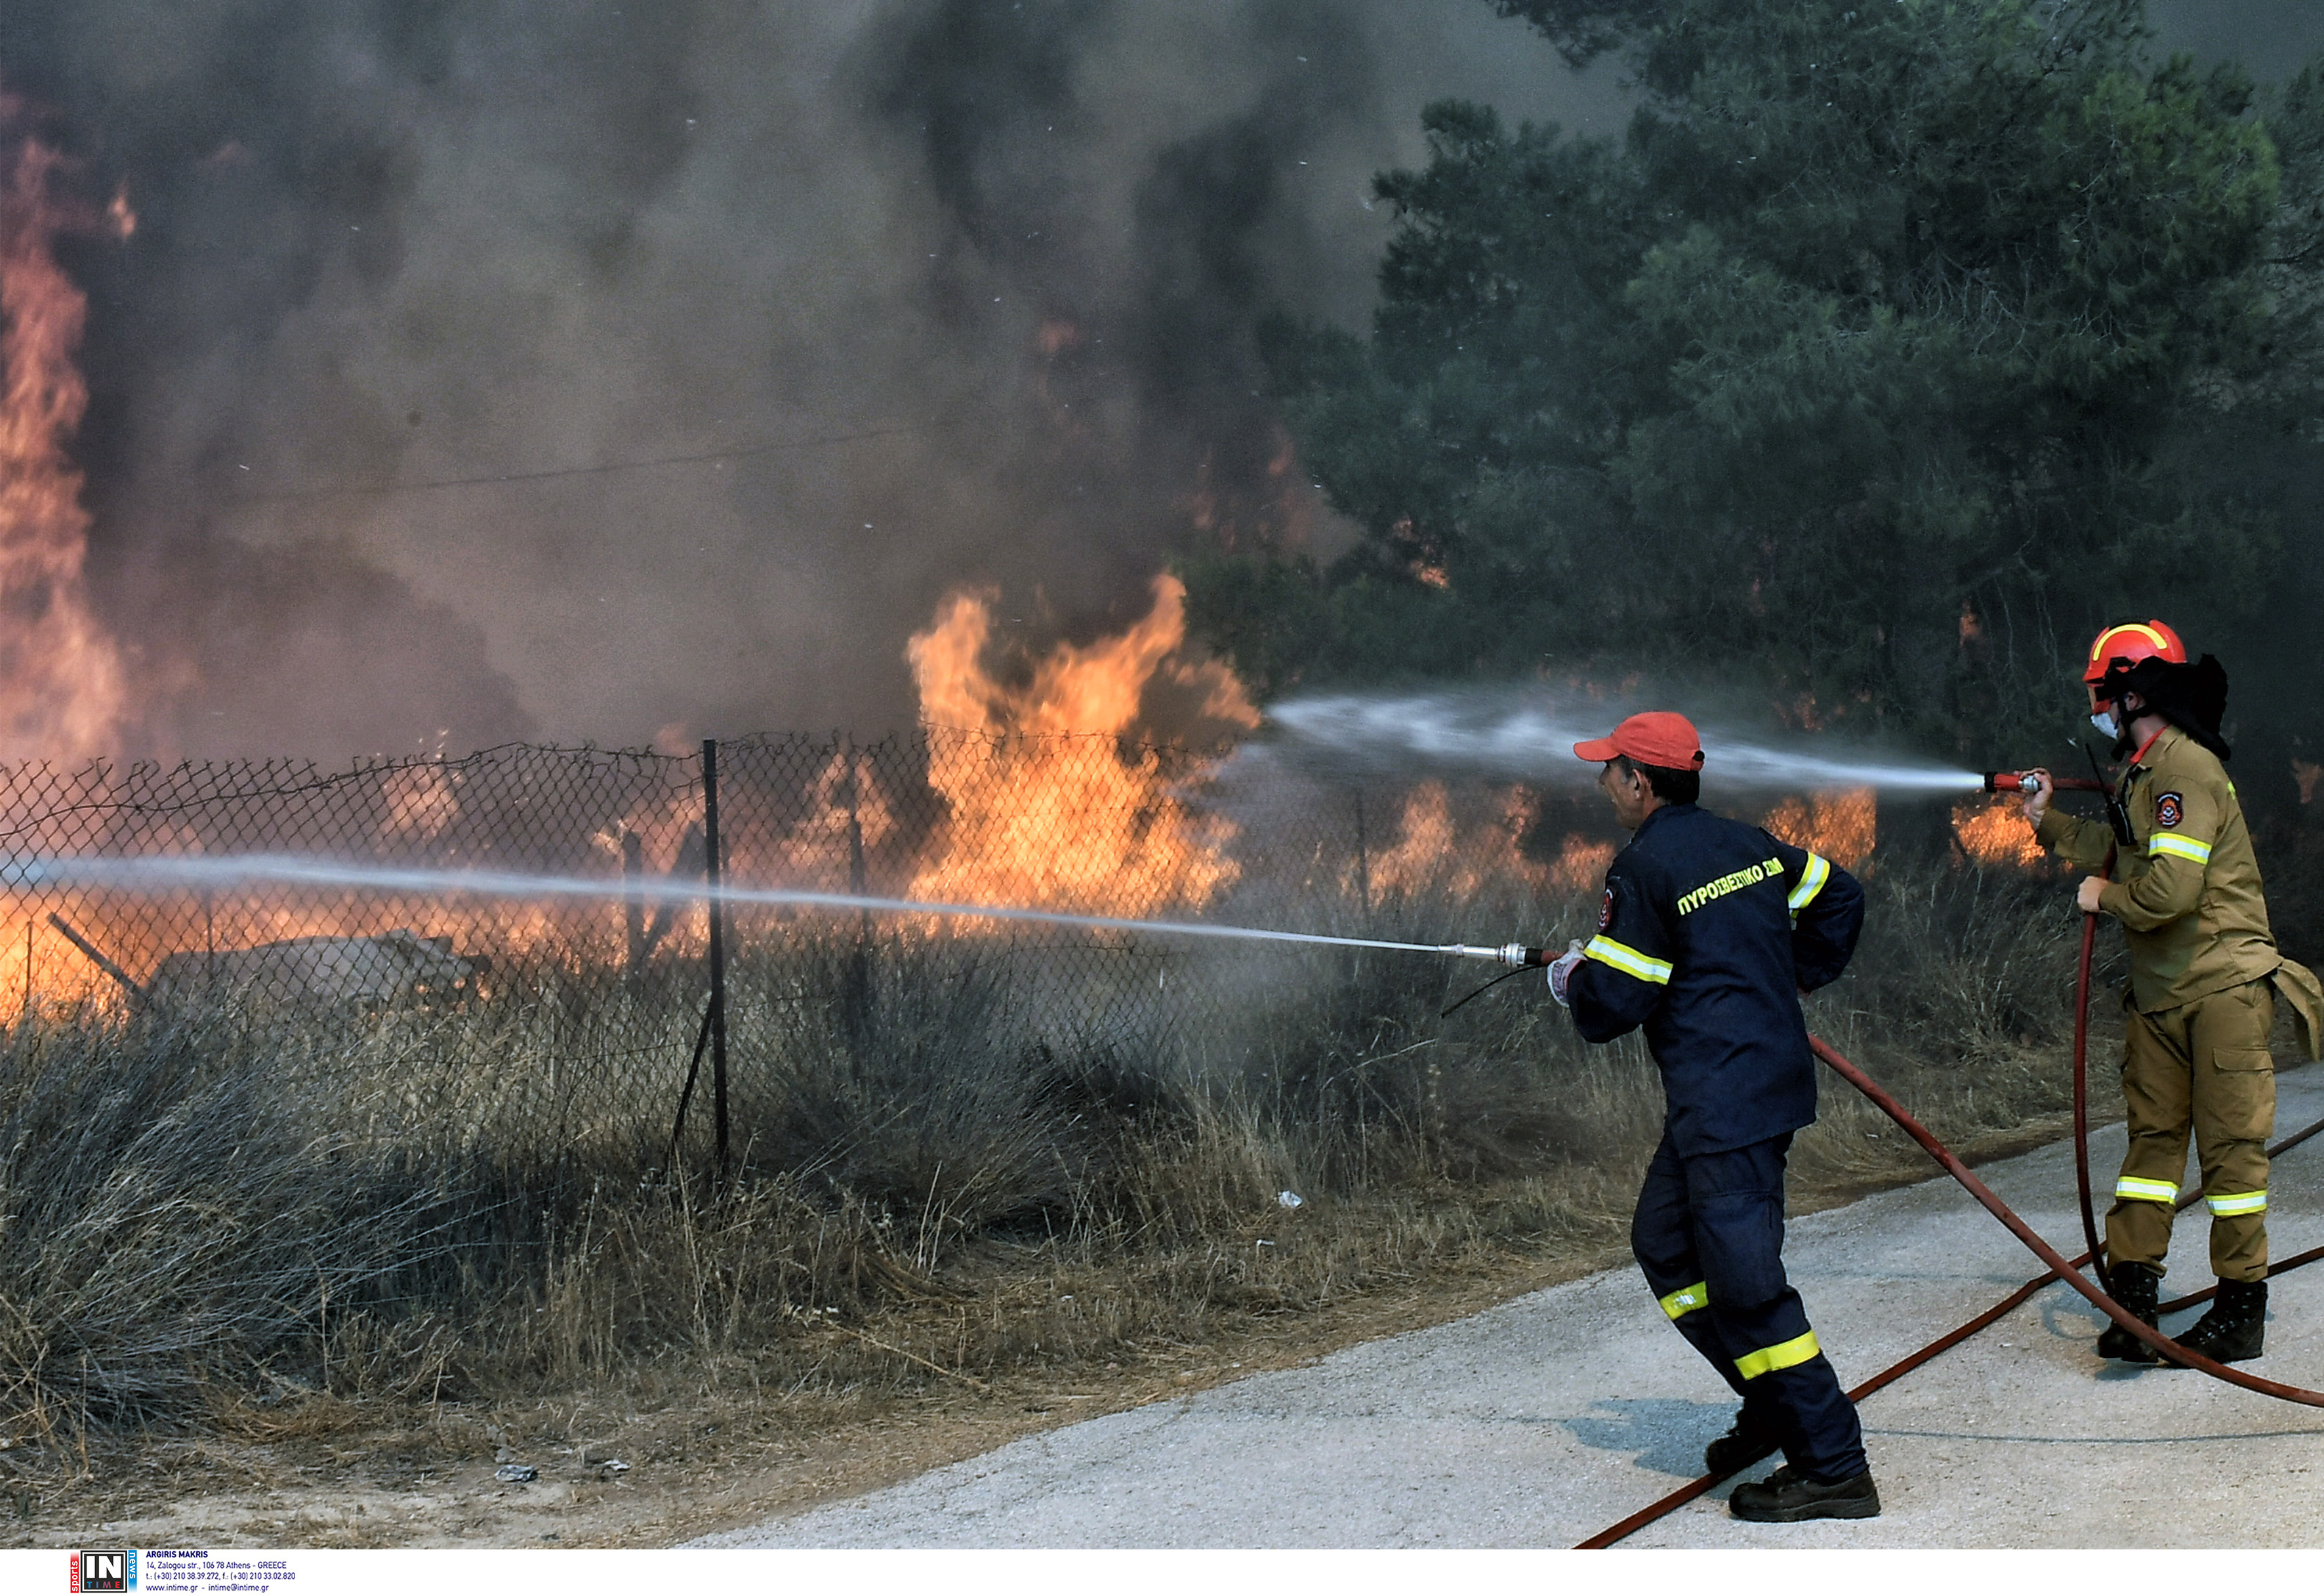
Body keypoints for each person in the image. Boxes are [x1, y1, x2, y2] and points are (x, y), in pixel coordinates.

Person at [1545, 710, 1875, 1524]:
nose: (1603, 782)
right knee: (1664, 1242)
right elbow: (1841, 897)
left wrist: (1569, 983)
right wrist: (1790, 978)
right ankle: (1770, 1402)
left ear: (1641, 781)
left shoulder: (1645, 867)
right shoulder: (1746, 843)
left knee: (1749, 1289)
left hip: (1728, 1102)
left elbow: (1615, 1002)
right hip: (1737, 1092)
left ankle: (1833, 1464)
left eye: (1611, 768)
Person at [2021, 621, 2323, 1364]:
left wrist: (2102, 900)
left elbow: (2169, 892)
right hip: (2161, 996)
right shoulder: (2143, 773)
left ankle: (2238, 1311)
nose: (2095, 709)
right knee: (2152, 1148)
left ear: (2131, 693)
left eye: (2101, 694)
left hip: (2221, 988)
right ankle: (2132, 1299)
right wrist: (2047, 821)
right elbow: (2120, 849)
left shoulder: (2185, 769)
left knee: (2231, 1159)